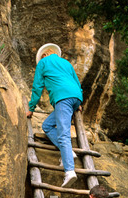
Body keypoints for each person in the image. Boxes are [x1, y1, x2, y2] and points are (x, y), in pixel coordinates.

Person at [26, 43, 83, 188]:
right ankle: (68, 152)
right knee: (47, 125)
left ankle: (69, 171)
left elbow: (37, 87)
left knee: (63, 135)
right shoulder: (66, 63)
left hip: (62, 98)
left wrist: (31, 107)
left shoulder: (43, 63)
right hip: (75, 97)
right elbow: (77, 82)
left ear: (43, 55)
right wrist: (79, 101)